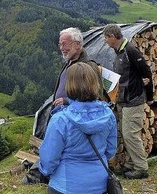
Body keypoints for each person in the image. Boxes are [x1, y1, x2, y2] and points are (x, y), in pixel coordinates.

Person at [39, 62, 118, 194]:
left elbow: (49, 160)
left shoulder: (60, 120)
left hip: (65, 185)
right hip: (99, 184)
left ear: (69, 85)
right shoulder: (108, 115)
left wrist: (46, 172)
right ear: (95, 83)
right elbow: (110, 150)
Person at [102, 24, 152, 179]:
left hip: (133, 100)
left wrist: (149, 97)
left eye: (106, 38)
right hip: (123, 100)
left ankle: (141, 168)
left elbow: (147, 73)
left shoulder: (130, 50)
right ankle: (130, 165)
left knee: (131, 134)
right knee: (125, 133)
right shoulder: (119, 52)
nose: (105, 42)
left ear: (112, 36)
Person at [52, 27, 106, 107]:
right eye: (60, 44)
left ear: (77, 44)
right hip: (64, 115)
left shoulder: (89, 66)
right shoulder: (70, 61)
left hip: (77, 117)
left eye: (65, 44)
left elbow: (96, 96)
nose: (61, 48)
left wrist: (68, 101)